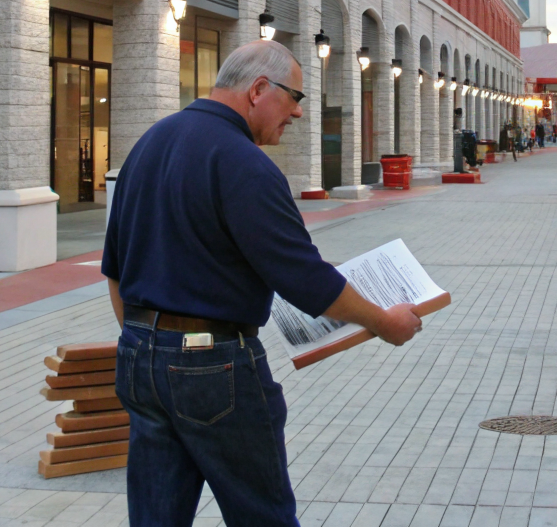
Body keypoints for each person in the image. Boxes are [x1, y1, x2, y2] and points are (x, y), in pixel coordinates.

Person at [103, 40, 422, 527]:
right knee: (263, 516)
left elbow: (115, 269)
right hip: (213, 367)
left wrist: (145, 342)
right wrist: (384, 321)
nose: (297, 113)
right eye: (294, 97)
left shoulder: (148, 145)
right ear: (257, 89)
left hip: (138, 361)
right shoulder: (244, 162)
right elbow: (304, 277)